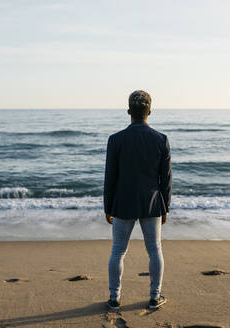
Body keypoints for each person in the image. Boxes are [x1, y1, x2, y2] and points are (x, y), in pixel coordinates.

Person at [104, 90, 172, 311]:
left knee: (118, 251)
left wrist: (108, 206)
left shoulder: (115, 140)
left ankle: (114, 298)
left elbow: (110, 177)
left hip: (123, 203)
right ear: (149, 112)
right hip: (152, 202)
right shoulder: (161, 139)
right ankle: (154, 297)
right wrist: (166, 207)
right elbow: (166, 179)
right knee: (154, 250)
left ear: (128, 112)